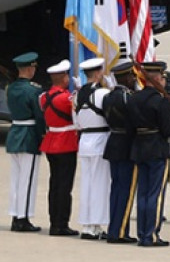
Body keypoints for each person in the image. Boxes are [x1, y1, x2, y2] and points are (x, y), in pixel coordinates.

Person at [128, 60, 170, 247]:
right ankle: (151, 235)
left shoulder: (134, 98)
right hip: (157, 149)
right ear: (158, 78)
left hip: (140, 149)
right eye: (163, 78)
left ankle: (142, 233)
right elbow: (168, 130)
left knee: (143, 194)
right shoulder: (161, 101)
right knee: (155, 195)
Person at [6, 51, 45, 232]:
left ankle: (16, 214)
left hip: (14, 134)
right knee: (28, 180)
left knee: (16, 179)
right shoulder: (33, 90)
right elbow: (39, 116)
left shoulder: (11, 88)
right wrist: (42, 136)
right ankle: (23, 218)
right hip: (28, 135)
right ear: (30, 69)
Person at [39, 59, 79, 237]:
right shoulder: (67, 98)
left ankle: (54, 220)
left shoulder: (43, 97)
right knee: (64, 186)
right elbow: (77, 114)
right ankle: (61, 224)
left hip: (51, 141)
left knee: (54, 184)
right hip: (66, 142)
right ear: (64, 78)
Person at [73, 56, 111, 239]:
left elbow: (76, 122)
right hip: (100, 140)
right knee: (99, 185)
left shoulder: (77, 95)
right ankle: (94, 226)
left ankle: (87, 224)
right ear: (98, 73)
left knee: (87, 184)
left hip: (85, 140)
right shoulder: (102, 94)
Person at [102, 61, 139, 244]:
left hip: (113, 143)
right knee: (125, 190)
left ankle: (113, 228)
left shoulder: (109, 96)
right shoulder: (127, 98)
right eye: (132, 76)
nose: (134, 79)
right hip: (126, 145)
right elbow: (134, 121)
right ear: (126, 77)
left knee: (116, 189)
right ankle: (120, 231)